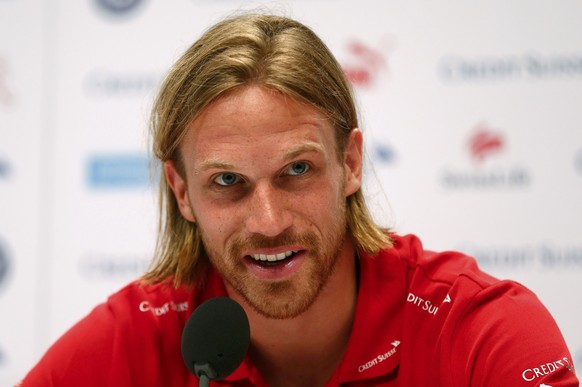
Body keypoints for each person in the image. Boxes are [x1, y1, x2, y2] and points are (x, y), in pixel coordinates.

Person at [20, 13, 578, 387]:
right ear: (182, 191)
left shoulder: (481, 333)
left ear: (351, 164)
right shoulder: (131, 341)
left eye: (296, 170)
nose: (268, 222)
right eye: (226, 182)